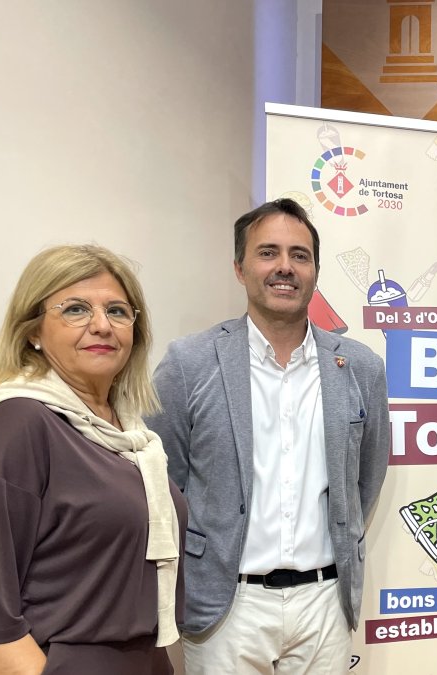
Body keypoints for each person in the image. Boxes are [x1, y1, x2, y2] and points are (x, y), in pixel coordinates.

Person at [146, 198, 389, 674]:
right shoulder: (189, 364)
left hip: (324, 601)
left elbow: (366, 478)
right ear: (240, 267)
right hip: (226, 605)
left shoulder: (360, 367)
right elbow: (161, 484)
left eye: (299, 255)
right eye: (268, 253)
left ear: (315, 270)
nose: (285, 267)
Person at [0, 245, 185, 674]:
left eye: (118, 311)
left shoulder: (135, 440)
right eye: (75, 309)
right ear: (33, 331)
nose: (102, 326)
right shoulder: (13, 425)